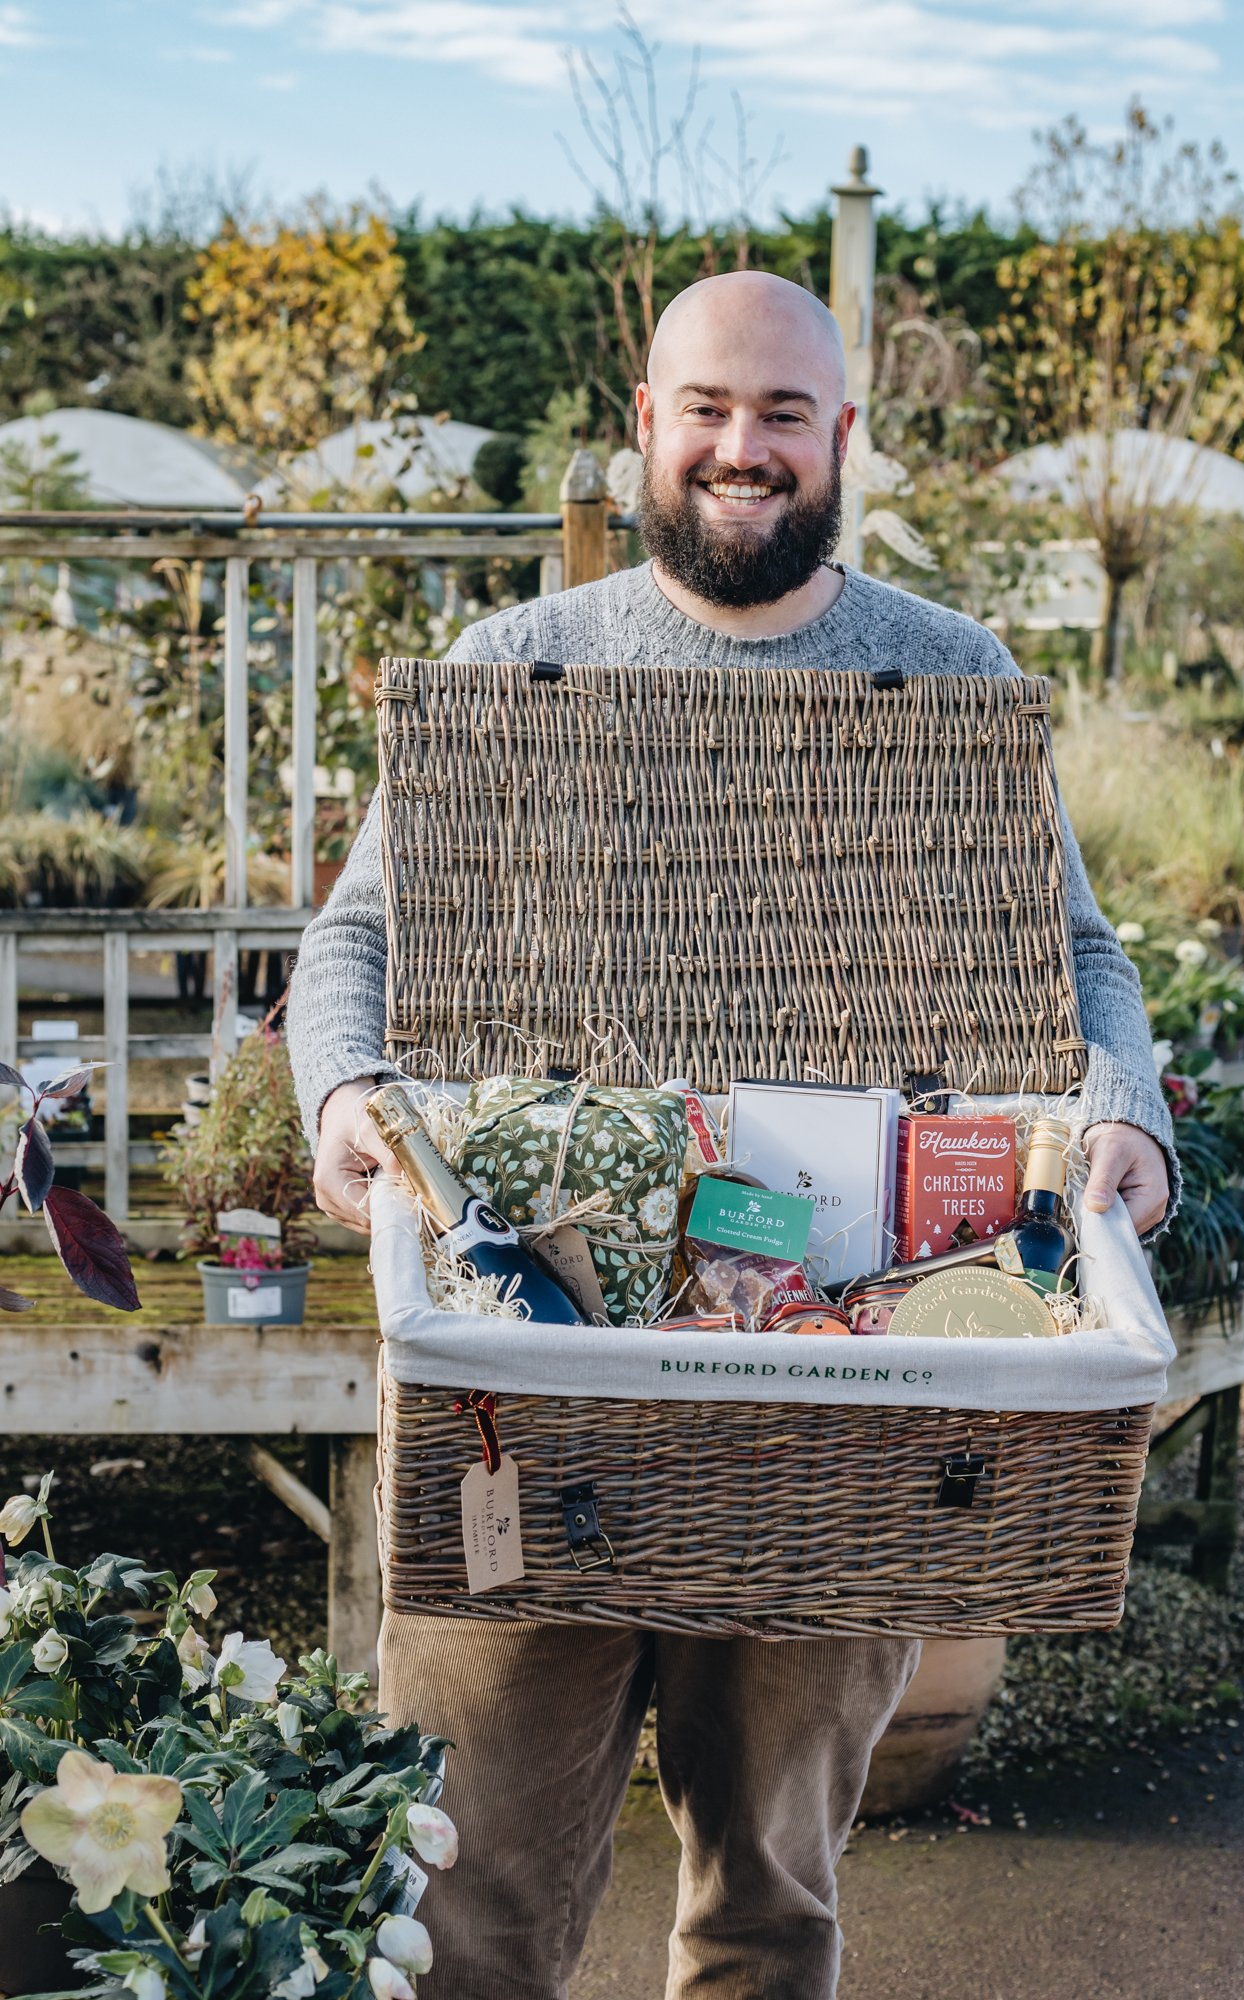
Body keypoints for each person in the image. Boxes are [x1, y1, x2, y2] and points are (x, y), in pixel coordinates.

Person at [287, 270, 1175, 2000]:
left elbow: (1070, 953)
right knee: (462, 1899)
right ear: (643, 425)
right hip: (518, 1381)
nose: (739, 448)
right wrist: (340, 1092)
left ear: (842, 439)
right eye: (705, 408)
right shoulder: (520, 667)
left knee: (767, 1907)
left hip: (837, 1387)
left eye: (782, 414)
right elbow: (359, 937)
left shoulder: (943, 674)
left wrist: (1122, 1114)